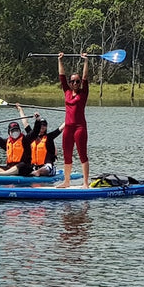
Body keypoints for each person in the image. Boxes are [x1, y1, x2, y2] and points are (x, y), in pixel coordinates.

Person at [57, 53, 91, 188]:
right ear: (70, 83)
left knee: (82, 154)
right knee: (67, 155)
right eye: (73, 81)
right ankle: (66, 181)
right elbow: (62, 76)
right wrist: (60, 60)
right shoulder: (66, 91)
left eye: (77, 81)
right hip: (68, 128)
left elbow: (85, 77)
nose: (75, 83)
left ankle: (85, 183)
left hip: (79, 128)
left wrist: (86, 61)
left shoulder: (83, 93)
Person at [0, 109, 31, 176]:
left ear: (20, 131)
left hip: (22, 168)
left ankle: (3, 174)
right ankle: (5, 174)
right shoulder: (6, 142)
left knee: (22, 166)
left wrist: (37, 121)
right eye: (13, 131)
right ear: (9, 132)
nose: (15, 132)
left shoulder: (25, 140)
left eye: (16, 130)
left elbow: (34, 132)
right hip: (10, 168)